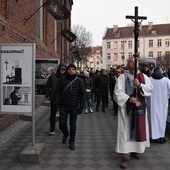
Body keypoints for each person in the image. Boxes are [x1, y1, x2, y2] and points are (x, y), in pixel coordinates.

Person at [114, 57, 153, 169]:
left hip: (139, 108)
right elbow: (117, 92)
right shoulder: (122, 77)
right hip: (127, 108)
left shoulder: (143, 77)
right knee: (126, 130)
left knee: (138, 128)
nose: (134, 64)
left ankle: (136, 149)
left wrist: (140, 85)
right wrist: (128, 98)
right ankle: (125, 155)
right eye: (131, 62)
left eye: (135, 62)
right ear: (127, 64)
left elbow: (150, 89)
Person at [55, 63, 86, 150]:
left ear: (75, 71)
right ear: (67, 71)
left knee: (73, 125)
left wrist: (81, 106)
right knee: (62, 124)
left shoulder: (79, 81)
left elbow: (83, 94)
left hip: (74, 106)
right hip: (63, 106)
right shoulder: (62, 80)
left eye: (73, 69)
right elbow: (57, 92)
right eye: (69, 69)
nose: (71, 71)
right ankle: (65, 133)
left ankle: (72, 141)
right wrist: (57, 103)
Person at [150, 66, 170, 144]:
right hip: (163, 103)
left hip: (152, 103)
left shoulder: (149, 79)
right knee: (162, 120)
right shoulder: (167, 80)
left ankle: (153, 136)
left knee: (152, 120)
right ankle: (161, 136)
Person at [45, 63, 67, 135]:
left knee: (62, 113)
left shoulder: (67, 77)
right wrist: (47, 94)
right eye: (61, 69)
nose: (62, 70)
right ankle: (52, 128)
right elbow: (48, 85)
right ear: (59, 69)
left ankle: (61, 126)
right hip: (54, 97)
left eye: (64, 69)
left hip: (63, 98)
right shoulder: (53, 76)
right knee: (53, 114)